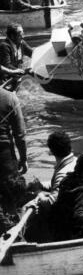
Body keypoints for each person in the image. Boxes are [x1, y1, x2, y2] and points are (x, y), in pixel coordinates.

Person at [27, 130, 76, 209]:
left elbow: (50, 204)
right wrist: (41, 185)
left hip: (65, 214)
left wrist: (38, 192)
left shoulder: (62, 173)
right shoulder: (75, 161)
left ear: (51, 151)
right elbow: (57, 185)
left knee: (27, 205)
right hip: (74, 204)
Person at [0, 84, 27, 216]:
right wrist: (23, 158)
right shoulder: (10, 97)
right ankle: (11, 226)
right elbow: (20, 134)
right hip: (4, 158)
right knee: (11, 197)